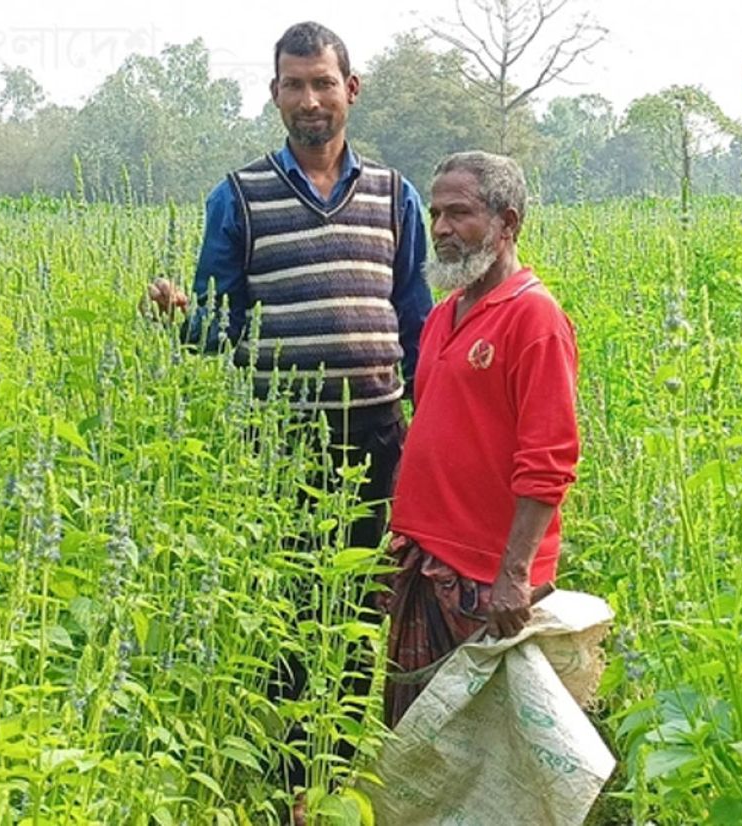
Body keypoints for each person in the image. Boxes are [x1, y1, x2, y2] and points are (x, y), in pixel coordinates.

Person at [142, 20, 431, 817]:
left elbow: (415, 321)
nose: (310, 99)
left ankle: (341, 776)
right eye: (294, 85)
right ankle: (289, 783)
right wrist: (178, 316)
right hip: (280, 436)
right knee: (291, 606)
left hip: (376, 436)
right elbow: (220, 324)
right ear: (275, 95)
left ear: (352, 89)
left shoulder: (394, 196)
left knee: (365, 606)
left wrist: (435, 423)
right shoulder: (239, 196)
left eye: (323, 83)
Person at [381, 150, 580, 727]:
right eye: (435, 214)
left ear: (508, 222)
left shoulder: (534, 320)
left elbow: (550, 459)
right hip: (430, 562)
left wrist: (514, 576)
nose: (441, 229)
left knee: (483, 753)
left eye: (459, 214)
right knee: (420, 745)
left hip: (487, 579)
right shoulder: (444, 315)